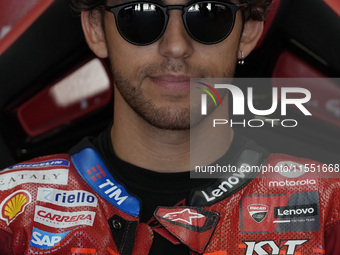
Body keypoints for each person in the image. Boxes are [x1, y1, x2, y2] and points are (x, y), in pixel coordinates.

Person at [0, 0, 339, 254]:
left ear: (248, 31)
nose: (176, 46)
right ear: (96, 29)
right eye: (142, 14)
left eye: (209, 14)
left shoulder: (329, 207)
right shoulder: (13, 210)